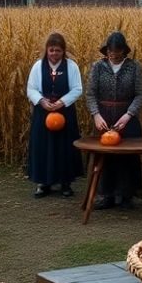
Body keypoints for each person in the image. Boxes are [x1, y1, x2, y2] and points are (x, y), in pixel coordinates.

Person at [84, 31, 142, 210]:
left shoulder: (134, 67)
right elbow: (90, 94)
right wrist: (96, 114)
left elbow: (140, 94)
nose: (113, 54)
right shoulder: (98, 67)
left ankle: (127, 196)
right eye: (110, 51)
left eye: (117, 51)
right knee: (106, 156)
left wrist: (129, 115)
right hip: (104, 116)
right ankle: (106, 195)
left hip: (127, 117)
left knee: (127, 156)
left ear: (124, 51)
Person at [25, 31, 83, 198]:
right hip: (43, 113)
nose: (54, 54)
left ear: (63, 51)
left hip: (64, 113)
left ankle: (65, 183)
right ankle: (43, 183)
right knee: (43, 147)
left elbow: (77, 89)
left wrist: (62, 102)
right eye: (51, 50)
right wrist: (42, 101)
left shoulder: (71, 66)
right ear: (46, 50)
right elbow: (31, 89)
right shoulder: (38, 66)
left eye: (58, 50)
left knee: (64, 148)